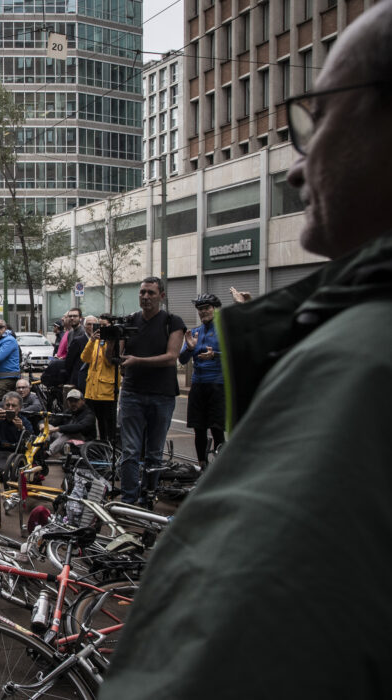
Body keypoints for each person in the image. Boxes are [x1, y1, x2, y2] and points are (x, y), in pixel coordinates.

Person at [101, 8, 392, 697]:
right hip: (144, 397)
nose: (296, 167)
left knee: (161, 452)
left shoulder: (361, 363)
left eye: (313, 121)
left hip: (162, 396)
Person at [116, 277, 186, 504]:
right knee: (130, 451)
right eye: (142, 292)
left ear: (161, 297)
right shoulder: (128, 322)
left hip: (162, 395)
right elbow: (115, 358)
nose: (145, 297)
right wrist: (110, 339)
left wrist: (137, 361)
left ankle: (148, 497)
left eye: (151, 293)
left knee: (154, 452)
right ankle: (128, 500)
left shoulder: (173, 322)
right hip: (132, 394)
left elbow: (171, 358)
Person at [179, 294, 225, 467]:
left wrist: (216, 355)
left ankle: (221, 467)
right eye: (200, 309)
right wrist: (190, 348)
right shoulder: (195, 331)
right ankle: (202, 466)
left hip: (218, 385)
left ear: (215, 309)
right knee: (199, 429)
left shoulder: (223, 329)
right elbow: (182, 360)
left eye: (207, 308)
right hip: (198, 385)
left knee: (217, 429)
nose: (203, 311)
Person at [81, 317, 120, 444]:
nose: (101, 328)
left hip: (106, 391)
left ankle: (108, 446)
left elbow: (109, 362)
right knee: (96, 422)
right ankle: (99, 446)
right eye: (99, 325)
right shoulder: (97, 341)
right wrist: (92, 341)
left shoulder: (113, 341)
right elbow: (85, 358)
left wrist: (108, 342)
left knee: (108, 423)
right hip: (92, 390)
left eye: (105, 326)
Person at [46, 389, 96, 457]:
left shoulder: (89, 414)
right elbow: (53, 421)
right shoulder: (68, 412)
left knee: (68, 434)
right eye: (70, 401)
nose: (73, 403)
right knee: (48, 427)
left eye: (76, 401)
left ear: (83, 401)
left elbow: (79, 427)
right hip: (67, 442)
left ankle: (47, 453)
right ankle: (40, 449)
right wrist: (42, 425)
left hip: (85, 443)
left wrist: (58, 428)